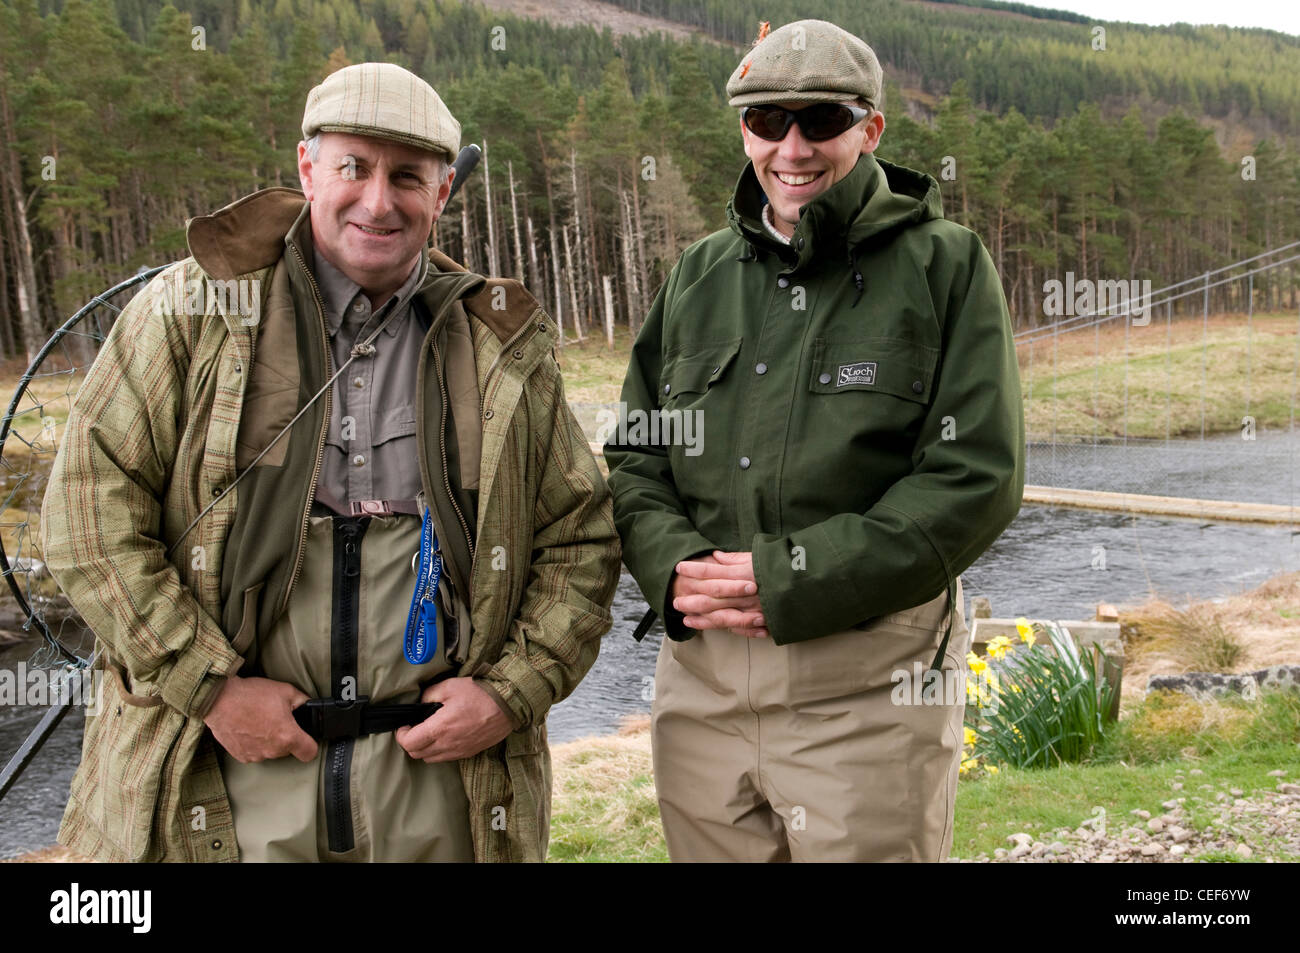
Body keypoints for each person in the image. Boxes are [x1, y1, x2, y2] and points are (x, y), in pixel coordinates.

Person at [40, 62, 619, 862]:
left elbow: (580, 539)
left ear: (443, 193)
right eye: (354, 167)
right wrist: (209, 688)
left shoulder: (502, 342)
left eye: (407, 176)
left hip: (440, 795)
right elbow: (86, 517)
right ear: (309, 169)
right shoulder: (189, 311)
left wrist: (508, 694)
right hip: (225, 779)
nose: (378, 201)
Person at [605, 20, 1024, 862]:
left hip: (870, 692)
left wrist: (787, 578)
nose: (792, 147)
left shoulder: (948, 265)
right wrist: (675, 565)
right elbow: (637, 454)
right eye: (767, 122)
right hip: (703, 687)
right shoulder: (698, 274)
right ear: (743, 131)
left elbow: (975, 475)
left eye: (822, 121)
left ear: (870, 129)